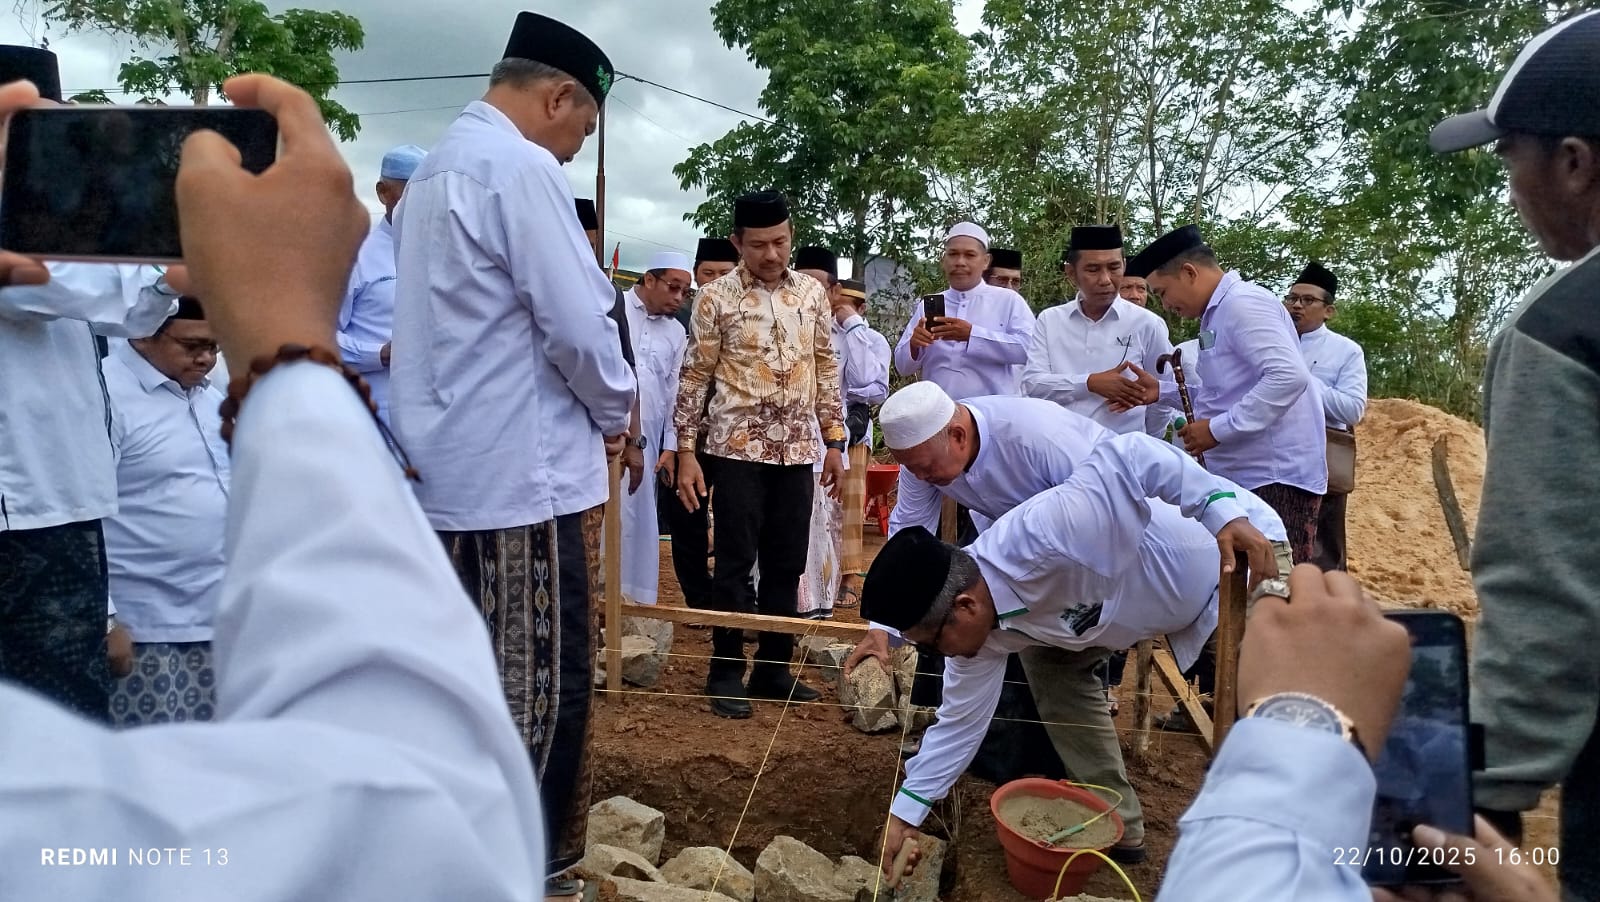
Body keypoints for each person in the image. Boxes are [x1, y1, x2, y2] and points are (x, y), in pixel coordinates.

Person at [0, 71, 552, 902]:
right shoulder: (51, 829)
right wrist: (289, 344)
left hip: (70, 517)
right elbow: (413, 816)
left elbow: (130, 291)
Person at [387, 14, 634, 898]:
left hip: (447, 473)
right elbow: (580, 324)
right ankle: (523, 868)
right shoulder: (518, 168)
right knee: (543, 685)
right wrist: (616, 408)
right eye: (581, 129)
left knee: (463, 678)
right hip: (518, 482)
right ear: (557, 96)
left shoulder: (436, 169)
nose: (572, 149)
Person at [852, 381, 1286, 864]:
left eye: (935, 645)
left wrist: (1219, 512)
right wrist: (904, 816)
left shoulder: (1047, 530)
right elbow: (958, 723)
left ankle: (1281, 843)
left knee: (1270, 705)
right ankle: (1116, 817)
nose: (943, 657)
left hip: (1226, 567)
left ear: (965, 609)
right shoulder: (982, 633)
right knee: (1054, 668)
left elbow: (1132, 456)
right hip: (1114, 608)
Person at [1429, 9, 1600, 897]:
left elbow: (1550, 592)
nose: (1511, 189)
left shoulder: (1566, 328)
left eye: (1510, 161)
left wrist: (1483, 801)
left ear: (1574, 161)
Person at [0, 45, 180, 723]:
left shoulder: (58, 214)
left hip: (65, 505)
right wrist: (165, 271)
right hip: (19, 516)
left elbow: (129, 309)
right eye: (36, 125)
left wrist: (166, 273)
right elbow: (51, 289)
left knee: (67, 725)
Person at [673, 191, 846, 718]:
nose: (772, 254)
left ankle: (774, 667)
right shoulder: (714, 297)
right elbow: (694, 376)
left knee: (787, 562)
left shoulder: (812, 295)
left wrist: (835, 441)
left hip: (798, 451)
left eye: (780, 241)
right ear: (737, 243)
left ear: (790, 234)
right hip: (735, 450)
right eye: (759, 245)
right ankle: (725, 669)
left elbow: (826, 366)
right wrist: (685, 450)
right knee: (733, 562)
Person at [1128, 224, 1327, 562]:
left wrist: (1217, 430)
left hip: (1272, 479)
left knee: (1276, 591)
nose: (1164, 304)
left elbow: (1289, 377)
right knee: (1246, 590)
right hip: (1247, 476)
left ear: (1189, 273)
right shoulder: (1217, 314)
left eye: (1162, 292)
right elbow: (1224, 392)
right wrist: (1161, 392)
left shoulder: (1243, 305)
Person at [101, 298, 229, 726]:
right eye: (193, 345)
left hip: (221, 620)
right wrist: (105, 619)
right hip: (144, 631)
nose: (207, 358)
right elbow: (82, 513)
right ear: (141, 333)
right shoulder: (105, 398)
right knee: (149, 772)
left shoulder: (213, 400)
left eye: (215, 346)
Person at [1022, 224, 1173, 435]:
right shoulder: (1050, 320)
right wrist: (1090, 383)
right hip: (1058, 449)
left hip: (1123, 453)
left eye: (1113, 268)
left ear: (1124, 265)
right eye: (1093, 270)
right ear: (1071, 273)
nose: (1105, 280)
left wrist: (1148, 444)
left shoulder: (1147, 324)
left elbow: (1163, 395)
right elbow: (1032, 385)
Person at [657, 236, 740, 613]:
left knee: (737, 517)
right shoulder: (679, 322)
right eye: (708, 273)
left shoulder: (749, 318)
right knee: (687, 512)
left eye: (725, 273)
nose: (716, 280)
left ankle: (733, 596)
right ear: (696, 275)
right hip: (688, 435)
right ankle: (696, 595)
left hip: (736, 436)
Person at [893, 222, 1036, 401]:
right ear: (943, 260)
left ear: (985, 262)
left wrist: (972, 335)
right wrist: (914, 345)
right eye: (953, 254)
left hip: (992, 415)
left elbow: (1030, 351)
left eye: (969, 255)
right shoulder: (928, 304)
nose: (960, 262)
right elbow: (902, 367)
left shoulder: (1008, 300)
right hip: (940, 414)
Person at [620, 252, 691, 606]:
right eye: (673, 287)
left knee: (637, 511)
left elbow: (676, 394)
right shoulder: (613, 309)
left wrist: (673, 445)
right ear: (649, 280)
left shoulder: (678, 332)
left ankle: (631, 596)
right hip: (605, 432)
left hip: (648, 439)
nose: (679, 298)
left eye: (685, 292)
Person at [1286, 261, 1367, 571]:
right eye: (1292, 298)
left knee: (1322, 556)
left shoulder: (1346, 351)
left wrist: (1301, 379)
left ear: (1328, 311)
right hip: (1269, 463)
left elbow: (1352, 409)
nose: (1296, 306)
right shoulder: (1268, 342)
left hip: (1320, 463)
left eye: (1307, 300)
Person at [336, 143, 424, 426]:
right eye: (411, 190)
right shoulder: (355, 255)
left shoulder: (448, 252)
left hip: (436, 415)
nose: (422, 200)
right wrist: (378, 354)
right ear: (383, 192)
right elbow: (316, 337)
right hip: (373, 412)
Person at [793, 244, 852, 618]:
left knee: (822, 528)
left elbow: (871, 383)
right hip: (787, 447)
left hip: (829, 445)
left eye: (818, 285)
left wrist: (854, 324)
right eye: (802, 282)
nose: (809, 292)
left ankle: (818, 604)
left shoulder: (847, 335)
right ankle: (787, 606)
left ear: (834, 291)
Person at [835, 277, 891, 608]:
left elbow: (877, 389)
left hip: (853, 433)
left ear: (860, 309)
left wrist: (844, 388)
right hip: (815, 435)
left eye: (843, 307)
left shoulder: (874, 340)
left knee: (852, 506)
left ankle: (849, 576)